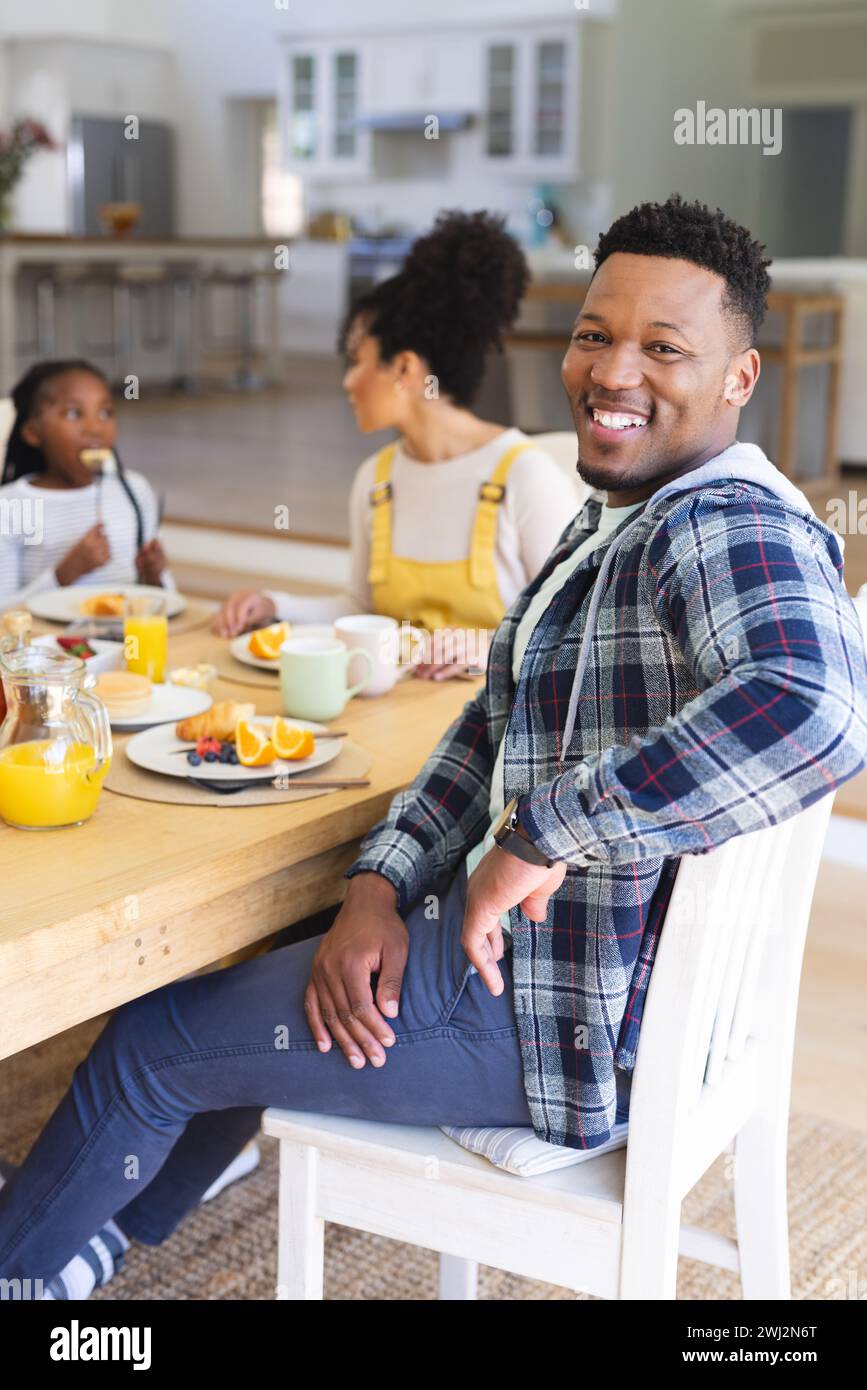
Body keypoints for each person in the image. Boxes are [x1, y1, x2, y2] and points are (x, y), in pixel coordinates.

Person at [3, 194, 867, 1300]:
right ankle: (90, 1237)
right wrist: (375, 882)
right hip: (545, 970)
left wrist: (543, 832)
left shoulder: (720, 522)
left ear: (738, 380)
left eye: (664, 348)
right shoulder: (624, 511)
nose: (613, 372)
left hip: (550, 1010)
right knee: (292, 953)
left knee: (149, 1044)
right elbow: (490, 725)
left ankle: (22, 1263)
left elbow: (817, 705)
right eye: (596, 335)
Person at [212, 209, 583, 678]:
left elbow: (571, 635)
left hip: (499, 733)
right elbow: (361, 609)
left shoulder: (526, 478)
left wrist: (485, 647)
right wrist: (273, 606)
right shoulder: (377, 478)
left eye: (356, 361)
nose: (347, 381)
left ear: (406, 369)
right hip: (396, 718)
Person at [0, 359, 172, 609]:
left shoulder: (133, 490)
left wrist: (154, 576)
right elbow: (4, 614)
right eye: (73, 413)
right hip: (53, 646)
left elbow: (163, 600)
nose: (95, 428)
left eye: (105, 413)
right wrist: (65, 574)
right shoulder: (12, 505)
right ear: (33, 432)